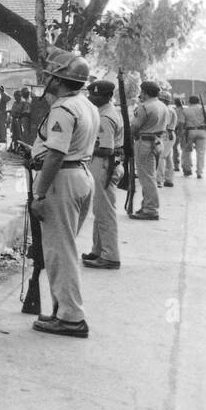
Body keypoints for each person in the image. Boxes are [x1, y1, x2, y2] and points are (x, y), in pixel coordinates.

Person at [28, 50, 99, 337]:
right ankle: (63, 310)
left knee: (60, 251)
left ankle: (71, 317)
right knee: (63, 247)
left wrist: (39, 194)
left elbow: (56, 154)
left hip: (62, 178)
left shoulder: (63, 108)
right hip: (80, 175)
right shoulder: (87, 105)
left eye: (51, 76)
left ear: (58, 79)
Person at [83, 80, 123, 270]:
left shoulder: (105, 117)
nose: (90, 97)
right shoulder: (104, 112)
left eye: (94, 95)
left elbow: (106, 148)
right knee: (99, 210)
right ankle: (98, 250)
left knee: (104, 212)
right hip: (103, 165)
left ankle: (110, 255)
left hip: (104, 165)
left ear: (105, 96)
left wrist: (84, 147)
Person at [129, 81, 168, 220]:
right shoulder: (162, 105)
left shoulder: (144, 107)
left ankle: (150, 209)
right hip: (158, 141)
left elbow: (134, 127)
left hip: (145, 141)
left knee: (147, 178)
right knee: (150, 176)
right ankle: (147, 205)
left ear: (145, 92)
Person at [179, 95, 206, 179]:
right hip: (202, 131)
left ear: (189, 101)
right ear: (198, 101)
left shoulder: (185, 110)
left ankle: (187, 170)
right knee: (201, 153)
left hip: (189, 132)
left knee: (186, 151)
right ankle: (199, 172)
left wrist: (181, 134)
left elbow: (181, 123)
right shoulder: (205, 109)